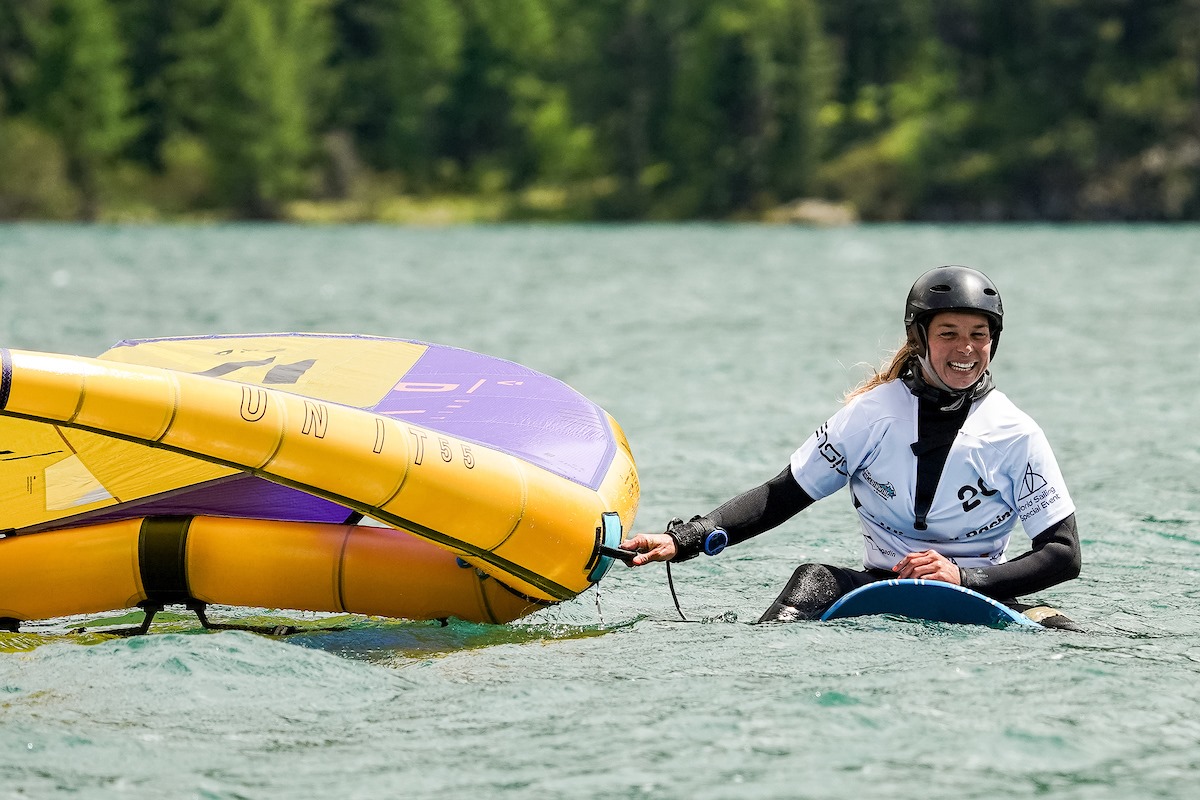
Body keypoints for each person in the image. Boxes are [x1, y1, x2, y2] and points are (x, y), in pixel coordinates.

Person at [619, 266, 1081, 623]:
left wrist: (962, 577)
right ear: (918, 338)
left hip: (984, 592)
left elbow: (1063, 554)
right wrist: (684, 539)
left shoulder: (1016, 433)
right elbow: (783, 495)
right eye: (949, 334)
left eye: (978, 335)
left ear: (993, 341)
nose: (966, 349)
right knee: (812, 580)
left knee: (1080, 638)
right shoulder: (870, 416)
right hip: (878, 586)